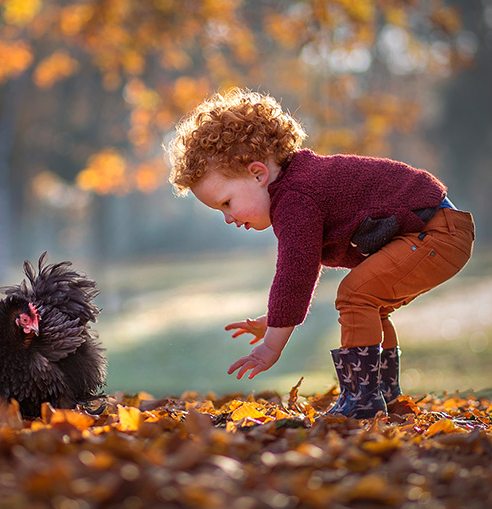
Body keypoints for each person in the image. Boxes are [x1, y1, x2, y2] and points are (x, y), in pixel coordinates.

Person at [165, 88, 475, 418]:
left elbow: (295, 272)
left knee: (355, 296)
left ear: (258, 174)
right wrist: (276, 319)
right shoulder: (300, 187)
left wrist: (272, 344)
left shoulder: (296, 196)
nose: (228, 217)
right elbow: (300, 272)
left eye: (226, 203)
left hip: (436, 233)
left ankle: (361, 400)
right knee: (370, 305)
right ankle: (384, 398)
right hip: (441, 230)